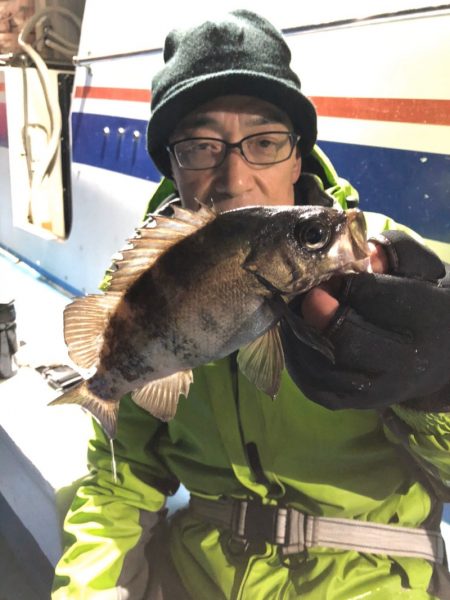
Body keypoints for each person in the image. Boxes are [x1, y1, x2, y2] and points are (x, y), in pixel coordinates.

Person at [52, 9, 450, 599]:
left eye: (264, 142)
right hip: (200, 572)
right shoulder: (138, 289)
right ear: (173, 165)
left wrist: (434, 389)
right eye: (200, 146)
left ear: (297, 155)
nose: (234, 178)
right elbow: (119, 482)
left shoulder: (392, 269)